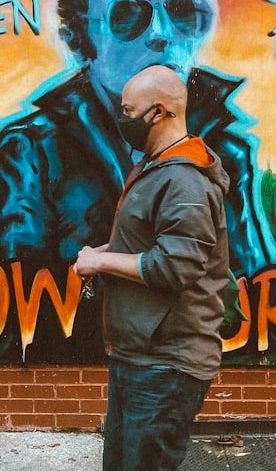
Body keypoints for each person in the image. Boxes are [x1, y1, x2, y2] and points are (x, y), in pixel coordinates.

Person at [0, 0, 276, 326]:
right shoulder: (31, 155)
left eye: (183, 10)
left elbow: (255, 305)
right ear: (81, 41)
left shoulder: (226, 155)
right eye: (128, 13)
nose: (161, 33)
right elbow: (5, 314)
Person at [75, 65, 229, 471]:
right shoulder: (155, 167)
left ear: (159, 112)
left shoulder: (185, 182)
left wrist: (101, 260)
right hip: (138, 356)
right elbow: (153, 243)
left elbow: (176, 266)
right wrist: (108, 251)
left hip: (166, 364)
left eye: (129, 111)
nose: (122, 120)